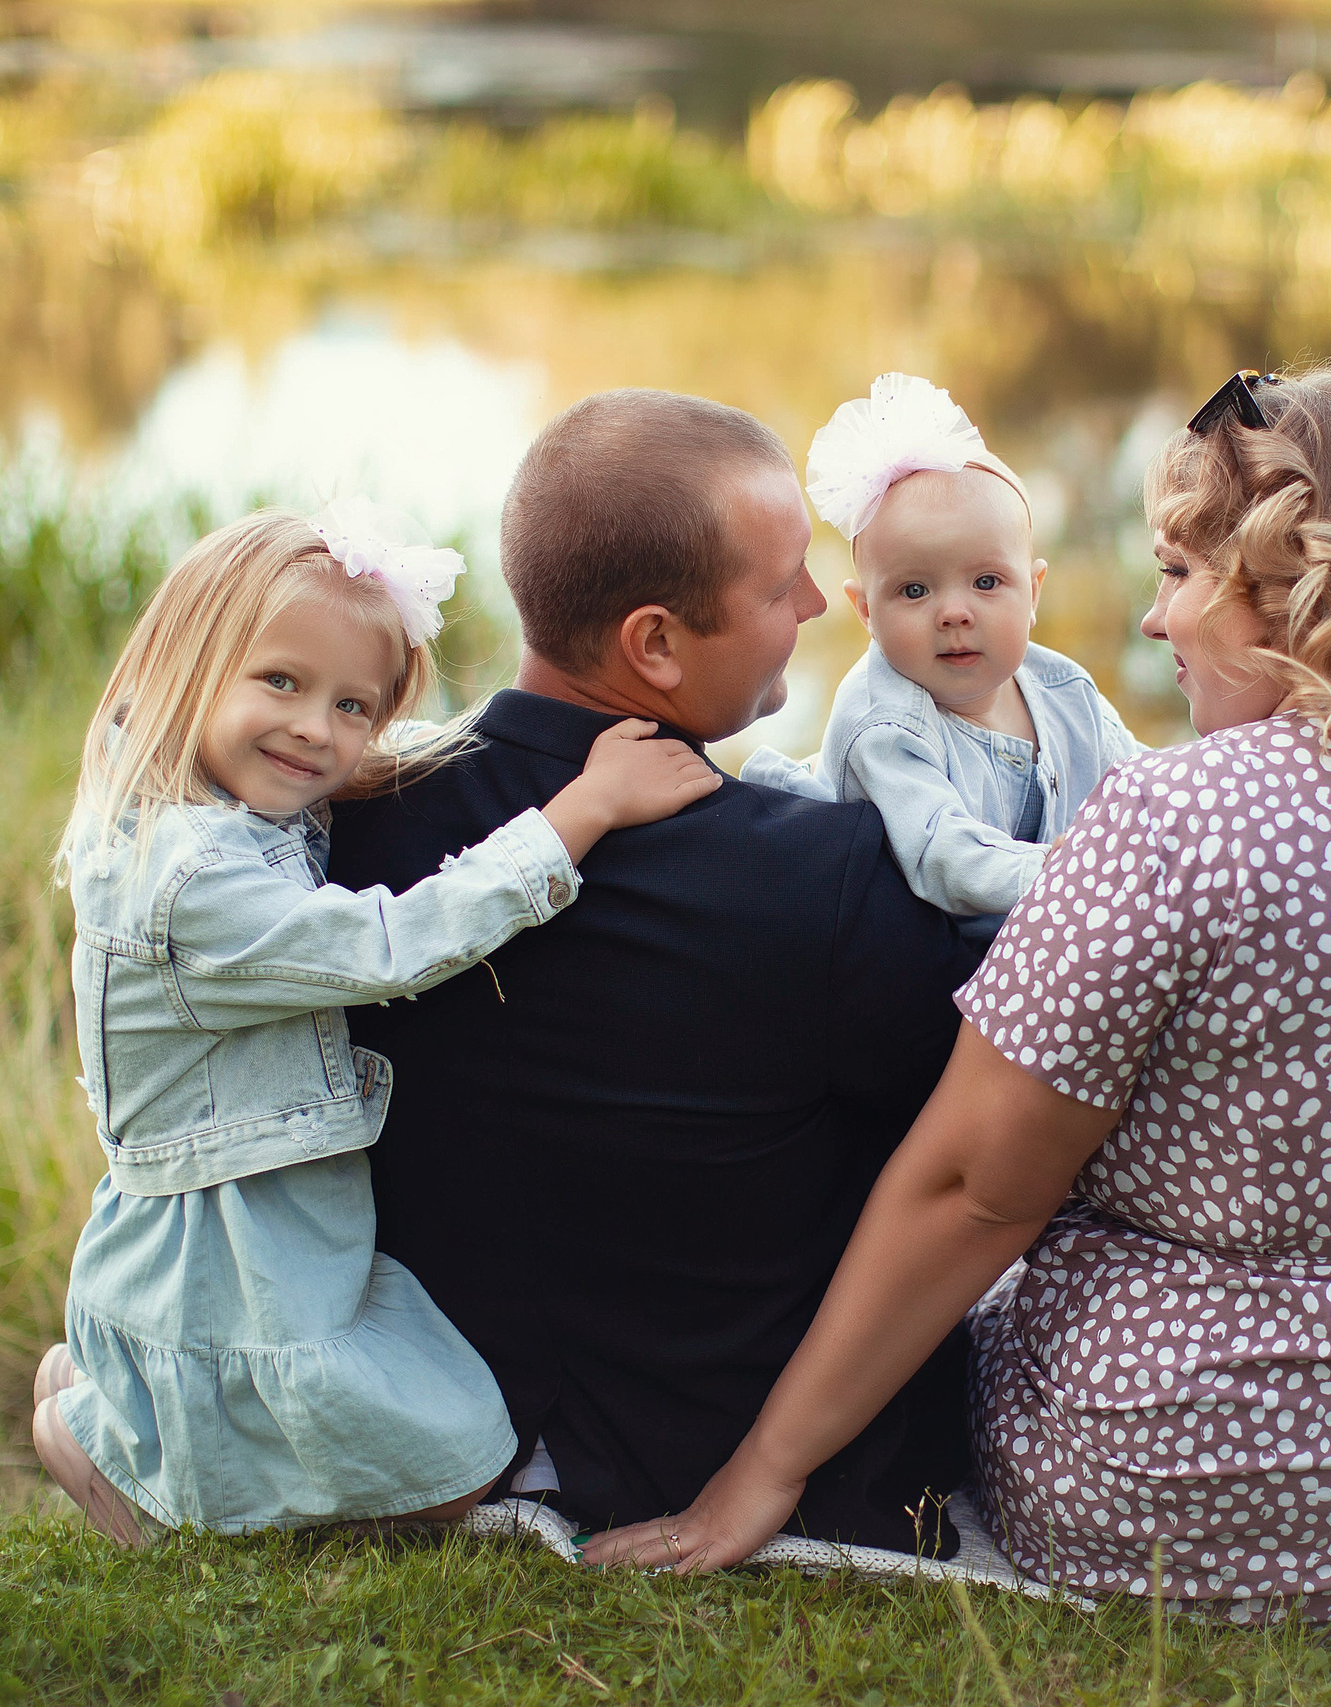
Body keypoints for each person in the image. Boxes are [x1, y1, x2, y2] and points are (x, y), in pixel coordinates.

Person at [587, 367, 1331, 1644]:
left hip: (1199, 1485)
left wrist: (765, 1469)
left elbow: (975, 1193)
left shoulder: (1177, 816)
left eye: (1179, 575)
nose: (1152, 624)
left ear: (1297, 587)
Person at [330, 389, 981, 1554]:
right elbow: (977, 1148)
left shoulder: (357, 832)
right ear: (655, 644)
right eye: (780, 582)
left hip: (456, 1429)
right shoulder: (820, 877)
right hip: (727, 1449)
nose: (812, 604)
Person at [30, 500, 718, 1543]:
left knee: (413, 1450)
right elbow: (390, 947)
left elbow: (380, 762)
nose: (319, 730)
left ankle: (121, 1413)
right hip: (222, 1239)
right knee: (436, 1477)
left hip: (281, 1214)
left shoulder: (219, 800)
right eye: (281, 683)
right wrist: (580, 810)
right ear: (185, 664)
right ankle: (101, 1448)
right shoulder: (189, 883)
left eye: (355, 706)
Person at [742, 373, 1143, 920]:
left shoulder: (1064, 690)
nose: (954, 613)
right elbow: (944, 856)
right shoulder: (883, 727)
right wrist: (1073, 872)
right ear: (866, 612)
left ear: (1033, 592)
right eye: (914, 590)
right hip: (904, 956)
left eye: (985, 583)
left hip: (1034, 931)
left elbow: (1144, 786)